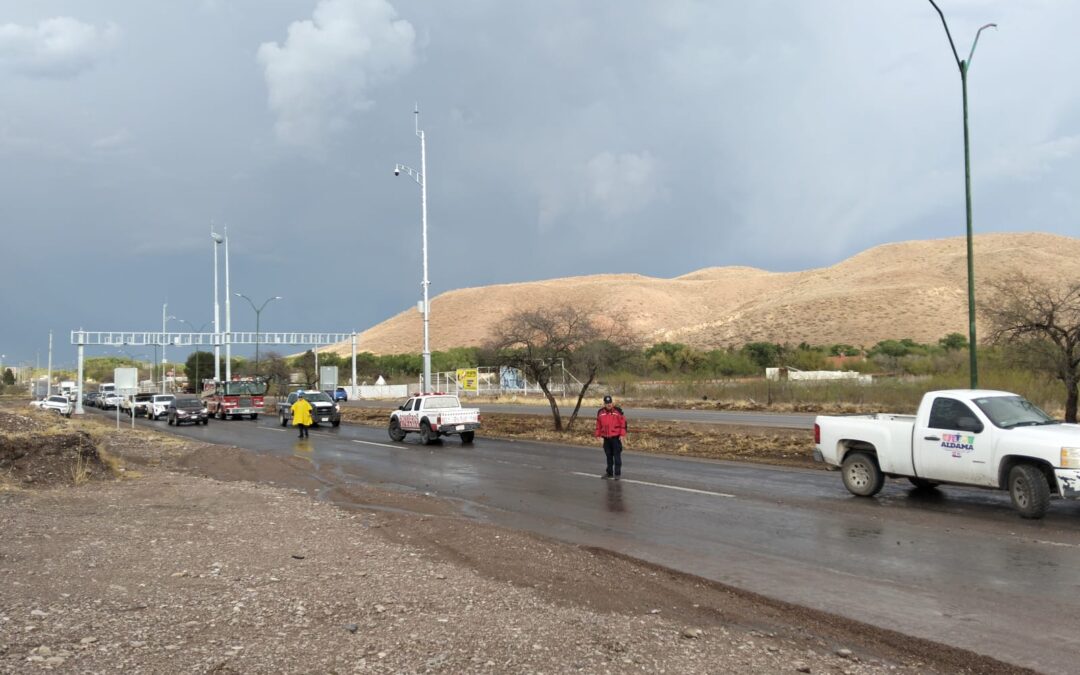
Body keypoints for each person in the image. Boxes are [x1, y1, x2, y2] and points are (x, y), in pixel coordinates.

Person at [595, 394, 627, 479]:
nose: (609, 404)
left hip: (616, 438)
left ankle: (617, 474)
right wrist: (598, 435)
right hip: (606, 438)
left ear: (612, 403)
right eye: (607, 403)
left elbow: (623, 424)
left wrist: (622, 435)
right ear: (604, 404)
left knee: (617, 456)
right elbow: (598, 425)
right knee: (608, 456)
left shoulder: (618, 411)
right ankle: (609, 473)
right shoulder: (600, 413)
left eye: (610, 402)